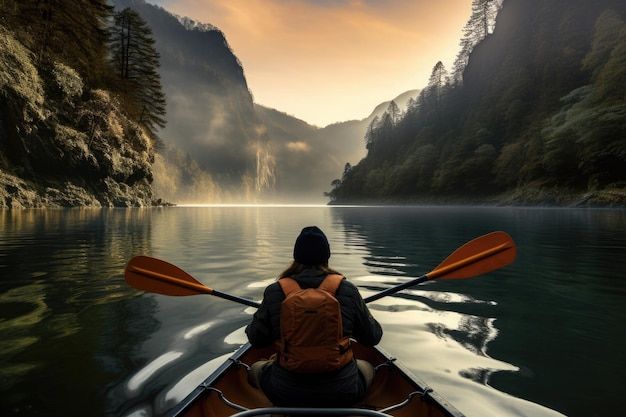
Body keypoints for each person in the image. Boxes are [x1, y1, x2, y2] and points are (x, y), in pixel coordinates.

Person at [245, 226, 383, 407]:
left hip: (285, 393)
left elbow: (256, 340)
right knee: (367, 366)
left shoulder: (275, 291)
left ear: (296, 256)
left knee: (254, 369)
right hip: (343, 392)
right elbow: (372, 337)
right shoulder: (347, 290)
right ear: (326, 256)